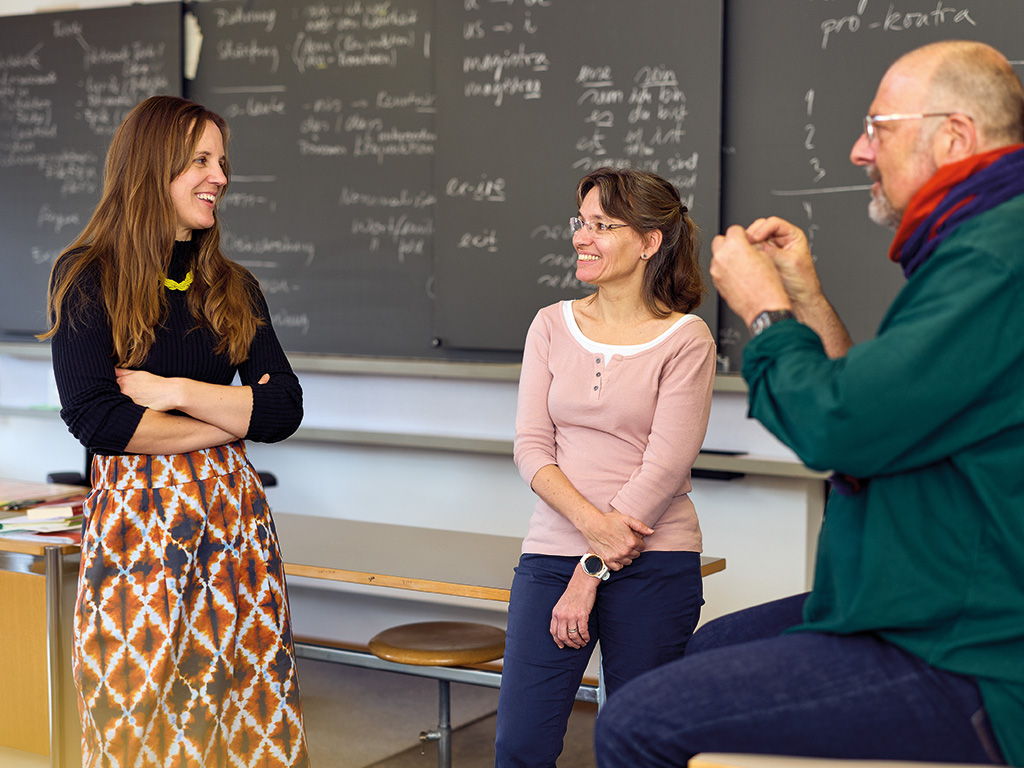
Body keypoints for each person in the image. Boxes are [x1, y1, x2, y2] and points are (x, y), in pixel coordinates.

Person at [594, 40, 1024, 767]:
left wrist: (765, 313)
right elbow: (876, 397)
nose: (860, 151)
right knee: (710, 646)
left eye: (878, 127)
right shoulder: (978, 242)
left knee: (634, 723)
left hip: (966, 644)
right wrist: (805, 295)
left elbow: (840, 423)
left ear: (953, 135)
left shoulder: (992, 259)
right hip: (907, 598)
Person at [41, 96, 309, 767]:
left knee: (248, 714)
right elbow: (99, 419)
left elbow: (284, 412)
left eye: (221, 161)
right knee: (136, 719)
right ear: (151, 168)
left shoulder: (234, 286)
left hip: (236, 533)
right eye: (200, 160)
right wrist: (226, 417)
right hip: (138, 534)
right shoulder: (85, 277)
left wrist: (176, 394)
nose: (219, 176)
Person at [495, 167, 716, 766]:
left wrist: (591, 567)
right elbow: (531, 447)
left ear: (649, 242)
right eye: (581, 223)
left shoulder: (686, 339)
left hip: (655, 560)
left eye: (601, 226)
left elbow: (664, 466)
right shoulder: (550, 324)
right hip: (550, 555)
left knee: (637, 745)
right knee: (520, 745)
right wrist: (593, 529)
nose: (581, 238)